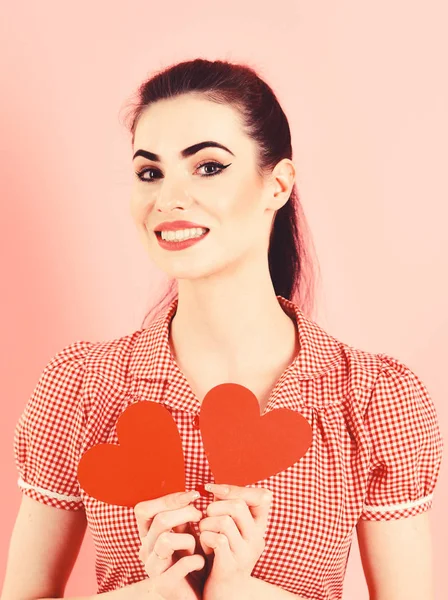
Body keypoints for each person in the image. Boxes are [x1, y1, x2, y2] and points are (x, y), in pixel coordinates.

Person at [2, 58, 443, 600]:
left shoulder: (373, 398)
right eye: (150, 172)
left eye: (207, 166)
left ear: (277, 185)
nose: (169, 199)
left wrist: (243, 590)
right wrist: (151, 594)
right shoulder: (81, 388)